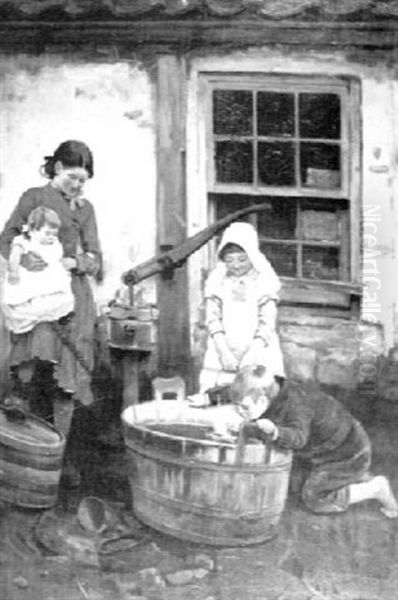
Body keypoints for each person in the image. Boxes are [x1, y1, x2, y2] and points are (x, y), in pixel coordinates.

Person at [0, 140, 102, 485]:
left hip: (73, 296)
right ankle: (22, 458)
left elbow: (96, 257)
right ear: (57, 168)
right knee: (31, 369)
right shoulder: (32, 197)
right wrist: (24, 259)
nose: (78, 185)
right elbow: (6, 238)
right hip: (35, 292)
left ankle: (59, 460)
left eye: (83, 180)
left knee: (67, 378)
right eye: (74, 177)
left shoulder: (85, 209)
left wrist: (79, 262)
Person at [230, 365, 398, 518]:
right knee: (290, 484)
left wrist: (275, 431)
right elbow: (236, 391)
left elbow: (298, 440)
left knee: (314, 497)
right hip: (323, 447)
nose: (239, 412)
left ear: (262, 400)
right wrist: (208, 398)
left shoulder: (296, 405)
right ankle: (352, 477)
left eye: (243, 407)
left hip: (347, 453)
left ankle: (376, 488)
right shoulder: (266, 389)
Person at [190, 221, 284, 406]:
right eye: (230, 260)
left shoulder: (264, 282)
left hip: (257, 346)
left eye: (242, 259)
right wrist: (223, 349)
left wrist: (253, 352)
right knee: (217, 395)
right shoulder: (217, 282)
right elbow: (213, 318)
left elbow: (267, 322)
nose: (236, 265)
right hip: (224, 345)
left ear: (252, 257)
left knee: (255, 396)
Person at [1, 206, 74, 334]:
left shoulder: (54, 242)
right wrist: (13, 271)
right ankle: (27, 321)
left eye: (54, 234)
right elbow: (15, 255)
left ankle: (57, 315)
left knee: (66, 298)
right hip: (29, 277)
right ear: (34, 229)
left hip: (48, 277)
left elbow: (56, 257)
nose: (51, 237)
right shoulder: (24, 240)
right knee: (27, 303)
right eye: (47, 233)